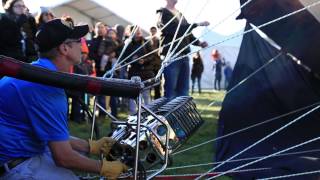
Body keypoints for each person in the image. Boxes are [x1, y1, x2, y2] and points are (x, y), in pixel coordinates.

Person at [0, 19, 127, 179]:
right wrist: (104, 167)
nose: (82, 45)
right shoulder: (46, 88)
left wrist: (91, 146)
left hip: (20, 152)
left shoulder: (39, 73)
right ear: (64, 48)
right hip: (14, 164)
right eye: (77, 41)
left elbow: (51, 134)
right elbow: (63, 157)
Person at [157, 0, 209, 99]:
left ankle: (180, 114)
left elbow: (187, 33)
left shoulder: (179, 13)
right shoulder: (163, 13)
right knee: (170, 91)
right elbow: (175, 30)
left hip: (184, 55)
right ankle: (169, 114)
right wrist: (197, 24)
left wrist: (199, 43)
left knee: (183, 91)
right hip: (171, 56)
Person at [149, 26, 162, 99]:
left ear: (156, 31)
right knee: (149, 83)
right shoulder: (147, 41)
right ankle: (149, 99)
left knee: (157, 83)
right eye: (151, 31)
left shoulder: (159, 40)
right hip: (149, 65)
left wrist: (156, 51)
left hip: (157, 65)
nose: (153, 32)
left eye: (154, 31)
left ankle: (157, 98)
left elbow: (160, 51)